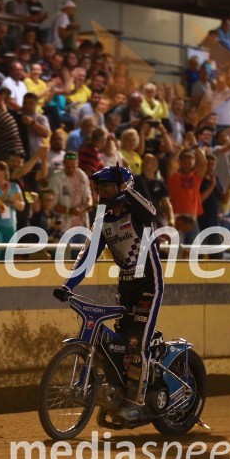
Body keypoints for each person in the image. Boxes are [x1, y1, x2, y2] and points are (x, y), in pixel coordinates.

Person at [53, 164, 162, 423]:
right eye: (100, 188)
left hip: (149, 283)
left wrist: (127, 189)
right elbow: (87, 255)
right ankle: (119, 394)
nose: (102, 193)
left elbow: (151, 212)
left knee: (138, 344)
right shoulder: (103, 220)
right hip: (126, 286)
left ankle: (137, 403)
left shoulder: (138, 212)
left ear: (123, 187)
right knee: (121, 345)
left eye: (108, 187)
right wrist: (68, 284)